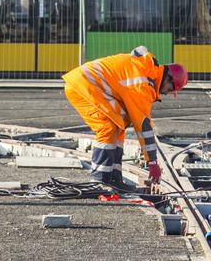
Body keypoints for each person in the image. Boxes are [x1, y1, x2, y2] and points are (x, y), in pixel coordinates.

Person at [63, 46, 188, 186]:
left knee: (119, 126)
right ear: (168, 78)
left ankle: (114, 178)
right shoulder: (142, 84)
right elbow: (143, 125)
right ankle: (99, 180)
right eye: (170, 89)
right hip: (82, 86)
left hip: (90, 85)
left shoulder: (147, 75)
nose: (166, 93)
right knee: (107, 127)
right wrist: (152, 162)